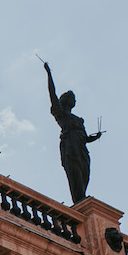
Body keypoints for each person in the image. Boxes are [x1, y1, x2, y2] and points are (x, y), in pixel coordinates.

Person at [45, 63, 102, 204]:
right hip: (70, 148)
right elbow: (52, 93)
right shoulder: (60, 113)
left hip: (81, 149)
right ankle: (79, 201)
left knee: (85, 174)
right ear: (65, 100)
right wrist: (49, 74)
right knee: (75, 174)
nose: (74, 100)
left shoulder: (78, 120)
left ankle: (82, 199)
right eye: (72, 97)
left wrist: (95, 137)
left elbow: (85, 138)